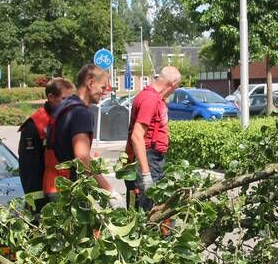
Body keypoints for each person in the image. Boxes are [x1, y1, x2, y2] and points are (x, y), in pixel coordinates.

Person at [48, 64, 114, 198]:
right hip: (67, 188)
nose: (104, 92)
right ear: (90, 83)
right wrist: (108, 190)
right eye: (102, 87)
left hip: (53, 183)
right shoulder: (80, 112)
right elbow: (82, 156)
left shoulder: (65, 106)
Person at [125, 66, 180, 210]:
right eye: (177, 87)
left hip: (153, 159)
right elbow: (136, 136)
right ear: (173, 84)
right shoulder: (150, 99)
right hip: (149, 158)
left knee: (159, 207)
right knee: (148, 209)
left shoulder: (154, 97)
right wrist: (146, 174)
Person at [18, 77, 74, 208]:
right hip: (46, 196)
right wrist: (36, 204)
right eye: (65, 99)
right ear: (51, 97)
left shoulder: (67, 119)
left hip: (66, 191)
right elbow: (29, 170)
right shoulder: (35, 125)